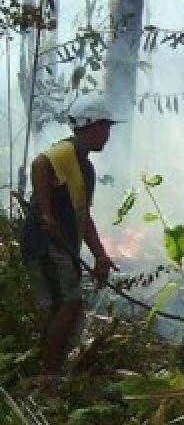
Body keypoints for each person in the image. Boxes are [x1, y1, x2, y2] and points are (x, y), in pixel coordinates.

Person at [20, 95, 120, 376]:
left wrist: (101, 255)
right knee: (70, 302)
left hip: (61, 247)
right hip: (45, 243)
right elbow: (39, 164)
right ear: (89, 125)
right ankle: (49, 377)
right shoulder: (66, 152)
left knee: (62, 308)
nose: (107, 134)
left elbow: (83, 216)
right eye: (104, 127)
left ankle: (49, 370)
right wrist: (47, 214)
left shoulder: (84, 168)